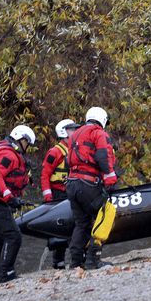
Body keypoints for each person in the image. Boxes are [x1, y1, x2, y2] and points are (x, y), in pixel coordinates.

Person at [0, 125, 36, 285]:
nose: (27, 148)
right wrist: (8, 196)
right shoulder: (9, 155)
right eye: (27, 144)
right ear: (21, 139)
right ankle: (6, 273)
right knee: (13, 236)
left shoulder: (4, 150)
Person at [66, 107, 117, 269]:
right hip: (87, 183)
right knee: (107, 212)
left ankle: (75, 261)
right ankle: (93, 259)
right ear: (102, 119)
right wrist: (110, 179)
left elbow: (70, 160)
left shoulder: (75, 135)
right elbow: (103, 156)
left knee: (82, 223)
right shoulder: (98, 133)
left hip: (72, 184)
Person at [40, 118, 80, 269]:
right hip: (57, 194)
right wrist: (48, 196)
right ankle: (58, 261)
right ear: (64, 132)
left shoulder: (75, 148)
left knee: (76, 224)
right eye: (72, 130)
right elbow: (45, 175)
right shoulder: (55, 152)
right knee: (59, 228)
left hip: (71, 192)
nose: (75, 132)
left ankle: (76, 256)